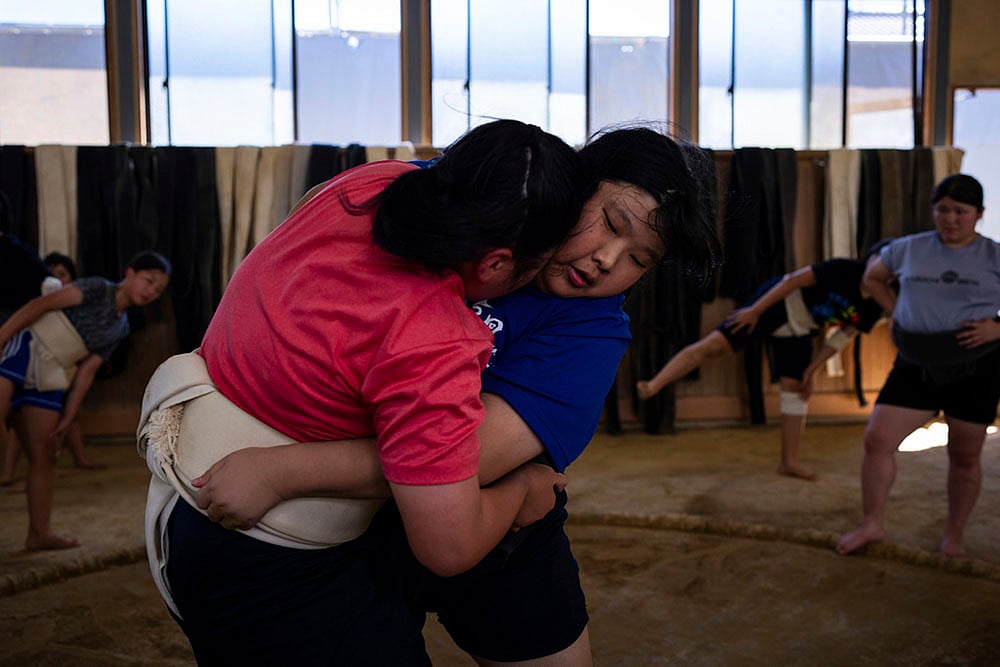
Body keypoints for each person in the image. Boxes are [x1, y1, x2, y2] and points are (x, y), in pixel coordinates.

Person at [189, 126, 721, 664]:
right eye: (610, 223)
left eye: (639, 259)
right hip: (326, 510)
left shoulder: (589, 330)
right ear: (573, 183)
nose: (608, 259)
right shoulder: (428, 193)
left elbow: (465, 462)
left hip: (481, 501)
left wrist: (284, 471)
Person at [142, 119, 583, 665]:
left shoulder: (363, 185)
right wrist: (522, 487)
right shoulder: (435, 342)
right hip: (268, 564)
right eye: (537, 267)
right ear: (496, 263)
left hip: (186, 509)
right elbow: (448, 546)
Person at [836, 174, 1000, 559]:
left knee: (964, 456)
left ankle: (954, 536)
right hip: (915, 363)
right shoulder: (908, 248)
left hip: (976, 367)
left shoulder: (994, 255)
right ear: (933, 210)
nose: (950, 219)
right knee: (877, 440)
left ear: (979, 214)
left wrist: (998, 327)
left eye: (960, 211)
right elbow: (873, 278)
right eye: (943, 210)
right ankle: (872, 523)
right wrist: (896, 310)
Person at [635, 241, 891, 481]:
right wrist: (755, 310)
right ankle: (654, 384)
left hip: (803, 327)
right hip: (777, 303)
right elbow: (792, 281)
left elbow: (841, 338)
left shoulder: (876, 306)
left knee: (797, 388)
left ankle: (788, 462)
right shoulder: (844, 269)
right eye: (882, 261)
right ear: (871, 259)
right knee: (713, 346)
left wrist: (812, 369)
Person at [0, 251, 170, 550]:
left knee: (46, 453)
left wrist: (68, 415)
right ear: (130, 273)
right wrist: (2, 336)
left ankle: (38, 534)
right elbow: (41, 305)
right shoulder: (97, 288)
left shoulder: (121, 326)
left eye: (158, 290)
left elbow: (87, 372)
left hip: (52, 373)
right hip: (26, 346)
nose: (151, 291)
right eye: (149, 281)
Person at [2, 252, 99, 482]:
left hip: (61, 368)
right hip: (30, 362)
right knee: (19, 417)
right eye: (54, 274)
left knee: (67, 415)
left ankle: (79, 458)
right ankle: (7, 472)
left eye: (63, 274)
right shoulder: (39, 303)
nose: (59, 279)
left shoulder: (78, 306)